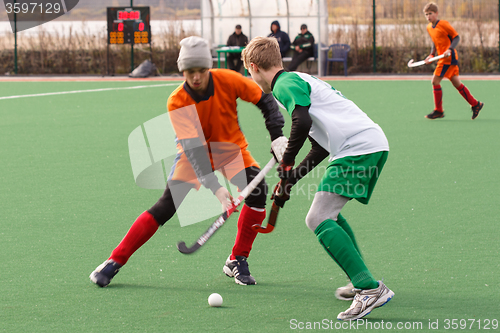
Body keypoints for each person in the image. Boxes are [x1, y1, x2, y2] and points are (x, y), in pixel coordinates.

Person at [90, 36, 287, 287]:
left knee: (258, 193)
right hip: (192, 154)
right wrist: (216, 189)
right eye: (189, 72)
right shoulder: (177, 100)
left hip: (230, 150)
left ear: (209, 68)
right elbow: (194, 152)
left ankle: (237, 259)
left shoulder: (228, 79)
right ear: (182, 70)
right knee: (165, 207)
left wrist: (277, 136)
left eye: (201, 71)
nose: (196, 77)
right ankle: (114, 261)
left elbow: (266, 101)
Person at [241, 36, 394, 321]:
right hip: (362, 145)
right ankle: (360, 278)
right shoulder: (298, 79)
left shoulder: (283, 85)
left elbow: (301, 122)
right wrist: (290, 180)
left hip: (357, 147)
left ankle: (369, 289)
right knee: (328, 214)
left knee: (317, 218)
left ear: (253, 67)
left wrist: (286, 164)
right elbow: (319, 145)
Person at [423, 2, 484, 120]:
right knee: (457, 83)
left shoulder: (444, 24)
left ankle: (439, 111)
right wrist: (431, 54)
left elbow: (456, 37)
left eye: (430, 14)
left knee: (435, 81)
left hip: (449, 59)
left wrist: (450, 49)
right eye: (426, 14)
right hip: (442, 58)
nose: (428, 16)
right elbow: (435, 42)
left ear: (436, 13)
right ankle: (476, 104)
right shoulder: (429, 27)